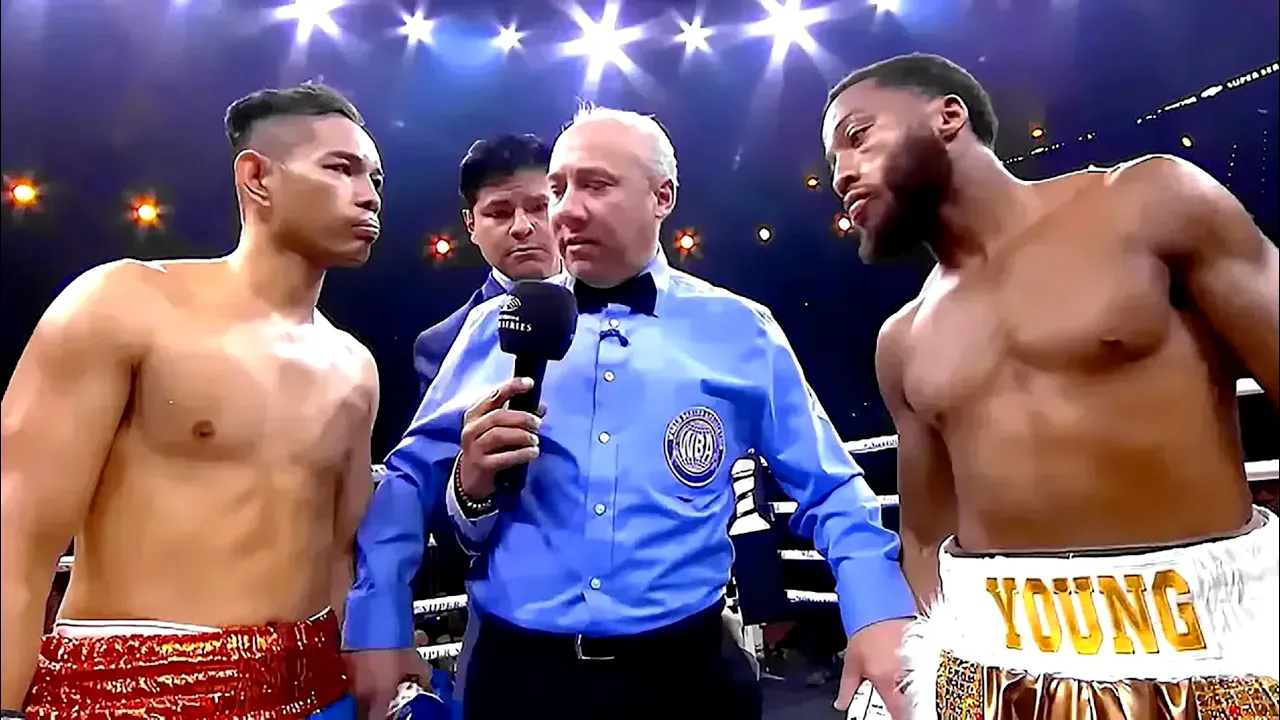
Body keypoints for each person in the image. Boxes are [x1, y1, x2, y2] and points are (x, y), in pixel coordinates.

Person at [347, 104, 915, 720]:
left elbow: (830, 490)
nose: (566, 210)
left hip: (686, 677)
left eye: (596, 185)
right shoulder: (492, 328)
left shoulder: (740, 330)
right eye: (559, 189)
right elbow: (407, 480)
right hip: (517, 678)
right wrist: (380, 621)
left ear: (661, 197)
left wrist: (876, 612)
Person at [821, 53, 1279, 718]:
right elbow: (923, 536)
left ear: (948, 117)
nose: (841, 174)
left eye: (857, 136)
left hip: (1209, 647)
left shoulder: (1149, 202)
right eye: (833, 160)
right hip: (994, 664)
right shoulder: (903, 338)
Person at [0, 82, 383, 719]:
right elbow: (15, 540)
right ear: (257, 177)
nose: (369, 195)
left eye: (375, 177)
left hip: (314, 690)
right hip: (129, 695)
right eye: (341, 169)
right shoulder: (125, 304)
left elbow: (342, 556)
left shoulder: (355, 367)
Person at [347, 133, 563, 713]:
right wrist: (470, 483)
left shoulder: (640, 311)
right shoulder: (446, 343)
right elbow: (422, 493)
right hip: (512, 630)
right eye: (499, 212)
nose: (523, 227)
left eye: (539, 206)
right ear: (471, 224)